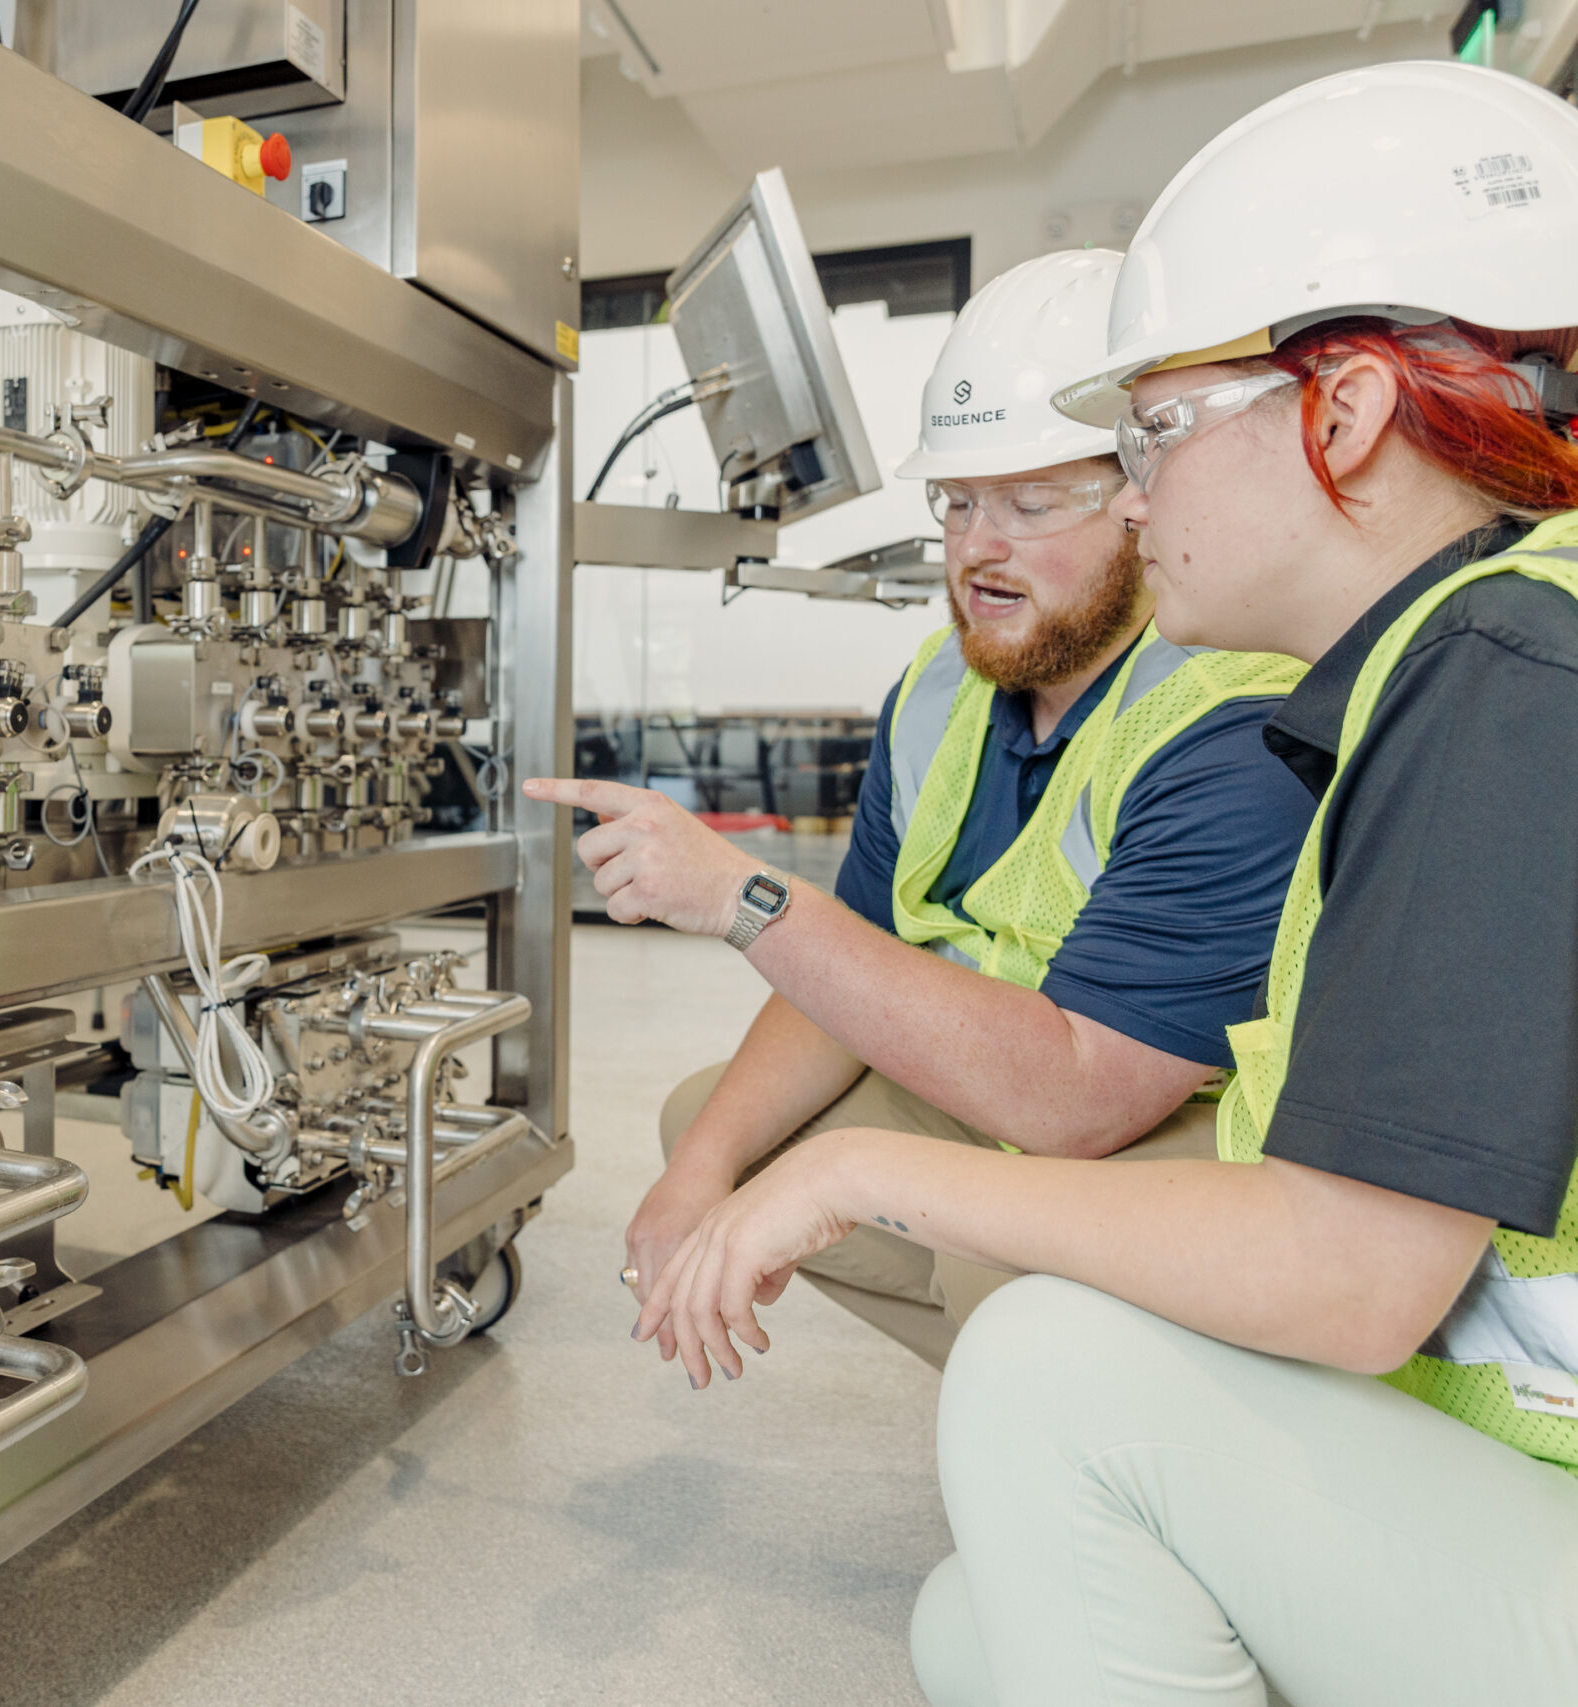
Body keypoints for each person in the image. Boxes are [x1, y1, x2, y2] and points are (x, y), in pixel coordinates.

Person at [619, 60, 1578, 1707]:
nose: (1138, 500)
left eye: (1149, 439)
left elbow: (1355, 1278)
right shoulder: (1458, 648)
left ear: (1340, 412)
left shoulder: (1508, 669)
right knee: (968, 1635)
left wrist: (857, 1168)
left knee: (1051, 1367)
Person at [537, 250, 1318, 1366]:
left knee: (998, 1262)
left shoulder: (1227, 716)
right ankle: (1030, 1385)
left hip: (1187, 1116)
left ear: (1147, 496)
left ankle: (1119, 1421)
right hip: (1021, 1083)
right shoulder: (939, 693)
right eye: (955, 503)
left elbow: (1077, 1102)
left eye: (1030, 502)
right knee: (712, 1133)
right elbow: (849, 966)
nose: (974, 549)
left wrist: (742, 899)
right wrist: (697, 1179)